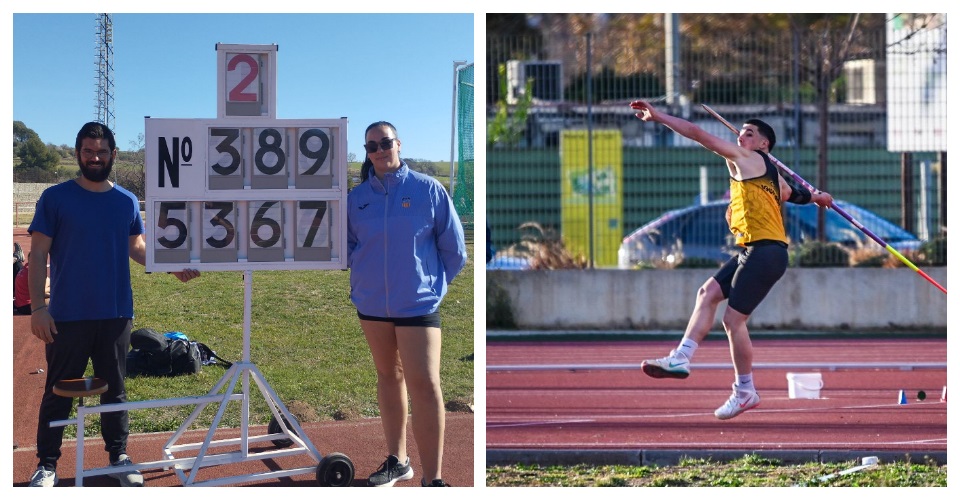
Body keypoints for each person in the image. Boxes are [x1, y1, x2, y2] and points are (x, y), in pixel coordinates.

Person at [629, 101, 833, 420]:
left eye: (749, 133)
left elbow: (697, 133)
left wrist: (657, 117)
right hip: (756, 250)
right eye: (740, 132)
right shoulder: (769, 171)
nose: (741, 136)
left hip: (766, 251)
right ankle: (681, 357)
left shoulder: (746, 157)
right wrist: (818, 198)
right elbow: (792, 194)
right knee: (707, 294)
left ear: (764, 143)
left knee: (733, 321)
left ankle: (745, 390)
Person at [27, 122, 200, 487]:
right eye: (88, 151)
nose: (95, 158)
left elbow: (136, 247)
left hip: (116, 312)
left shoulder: (125, 200)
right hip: (66, 315)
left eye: (102, 152)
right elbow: (39, 251)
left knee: (115, 390)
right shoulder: (55, 198)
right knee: (58, 390)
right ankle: (46, 464)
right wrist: (39, 308)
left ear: (113, 155)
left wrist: (170, 268)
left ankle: (119, 455)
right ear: (78, 153)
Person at [347, 121, 467, 487]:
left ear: (398, 144)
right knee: (388, 377)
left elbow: (455, 250)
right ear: (367, 152)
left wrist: (431, 288)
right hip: (373, 306)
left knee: (426, 384)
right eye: (372, 146)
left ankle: (433, 480)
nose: (380, 150)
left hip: (418, 306)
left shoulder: (429, 189)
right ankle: (398, 460)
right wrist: (365, 280)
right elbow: (348, 247)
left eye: (385, 142)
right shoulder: (356, 199)